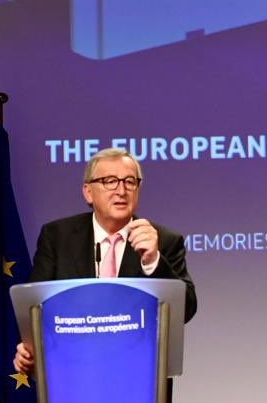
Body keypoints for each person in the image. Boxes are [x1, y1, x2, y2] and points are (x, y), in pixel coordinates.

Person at [12, 148, 197, 377]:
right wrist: (30, 351)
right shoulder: (57, 237)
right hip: (73, 374)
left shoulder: (163, 241)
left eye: (130, 182)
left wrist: (153, 261)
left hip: (139, 375)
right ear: (88, 192)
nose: (121, 190)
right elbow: (35, 306)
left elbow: (186, 309)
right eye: (110, 181)